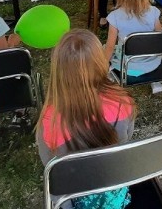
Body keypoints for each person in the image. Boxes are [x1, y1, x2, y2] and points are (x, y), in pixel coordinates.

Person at [36, 29, 136, 209]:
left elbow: (50, 168)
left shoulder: (48, 121)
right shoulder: (123, 102)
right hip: (114, 191)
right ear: (99, 61)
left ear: (58, 69)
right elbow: (125, 141)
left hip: (72, 199)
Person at [103, 0, 162, 94]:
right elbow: (161, 38)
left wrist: (102, 67)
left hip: (128, 68)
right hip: (152, 65)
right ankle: (156, 81)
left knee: (104, 47)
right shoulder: (153, 12)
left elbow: (110, 48)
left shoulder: (115, 16)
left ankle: (110, 75)